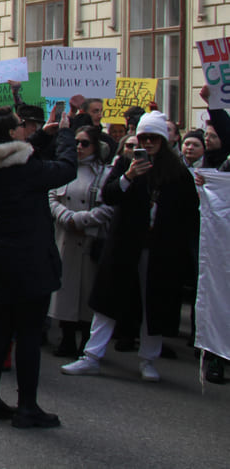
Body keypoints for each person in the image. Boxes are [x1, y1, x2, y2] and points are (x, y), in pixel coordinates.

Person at [61, 111, 199, 383]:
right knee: (108, 300)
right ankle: (91, 356)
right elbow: (108, 195)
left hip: (159, 249)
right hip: (125, 244)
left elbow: (187, 211)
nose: (146, 143)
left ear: (162, 140)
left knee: (153, 303)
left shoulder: (178, 172)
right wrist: (128, 177)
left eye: (153, 138)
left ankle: (148, 359)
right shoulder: (126, 162)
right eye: (142, 138)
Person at [0, 106, 75, 428]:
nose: (25, 131)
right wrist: (67, 133)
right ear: (12, 134)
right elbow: (65, 168)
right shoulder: (25, 168)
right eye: (20, 127)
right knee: (28, 333)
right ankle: (27, 406)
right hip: (30, 257)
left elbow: (11, 155)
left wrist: (45, 135)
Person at [47, 125, 114, 358]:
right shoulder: (66, 168)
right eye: (76, 142)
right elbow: (52, 195)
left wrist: (83, 219)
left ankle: (87, 339)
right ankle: (66, 338)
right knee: (66, 289)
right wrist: (66, 216)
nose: (78, 147)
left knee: (87, 290)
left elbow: (110, 205)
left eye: (84, 143)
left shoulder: (105, 173)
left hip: (90, 237)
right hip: (66, 235)